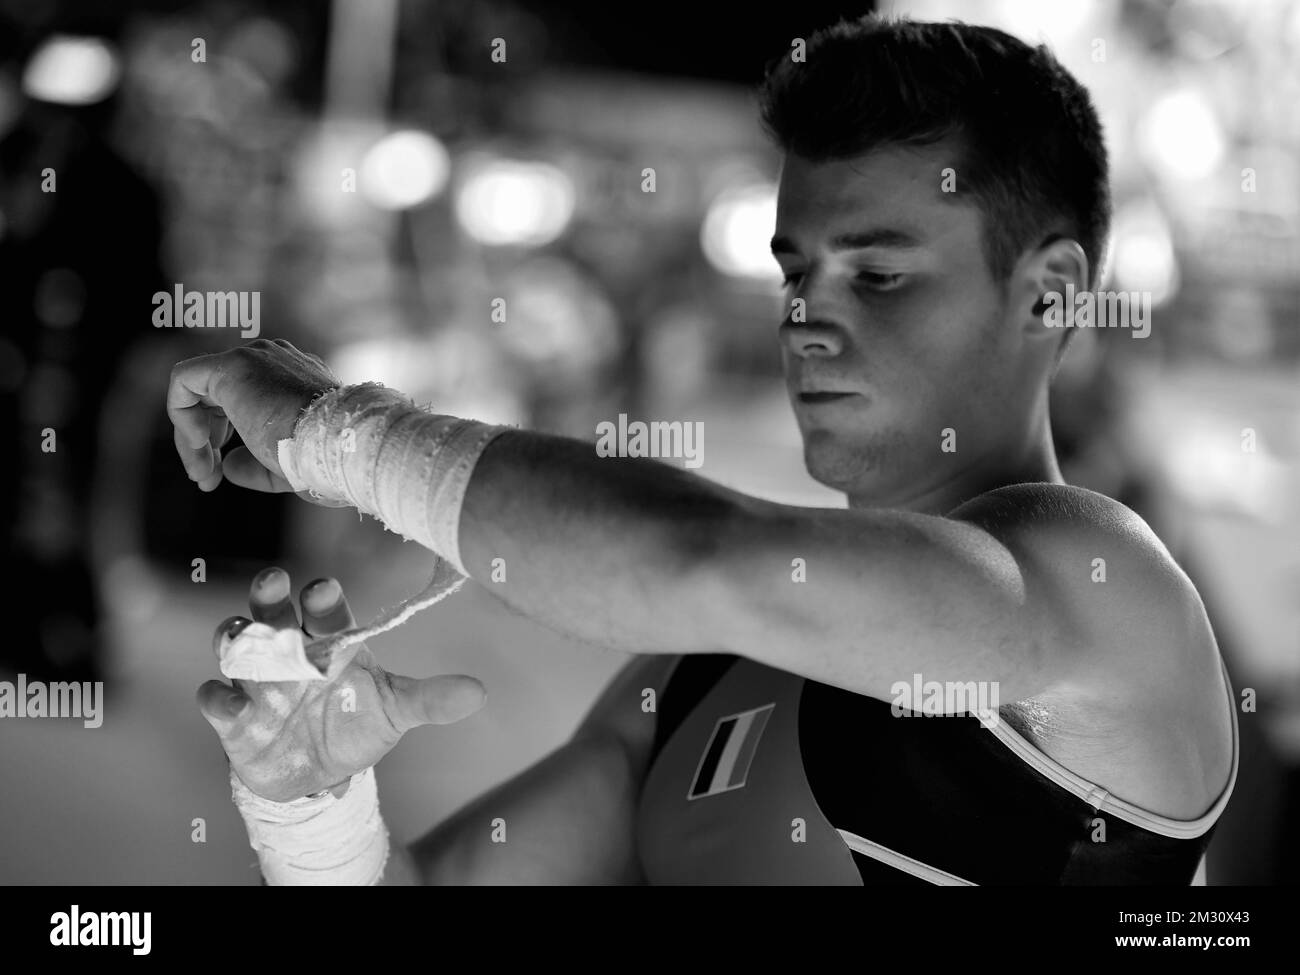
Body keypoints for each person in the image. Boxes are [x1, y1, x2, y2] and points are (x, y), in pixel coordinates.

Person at [167, 15, 1236, 885]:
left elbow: (691, 556)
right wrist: (308, 806)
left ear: (1049, 293)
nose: (805, 316)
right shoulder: (697, 672)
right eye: (795, 271)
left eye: (877, 274)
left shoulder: (1102, 590)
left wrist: (333, 433)